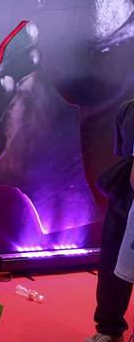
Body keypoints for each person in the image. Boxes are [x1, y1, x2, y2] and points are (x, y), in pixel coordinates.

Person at [86, 99, 134, 342]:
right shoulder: (127, 109)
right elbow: (125, 156)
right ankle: (109, 329)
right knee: (111, 263)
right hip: (125, 198)